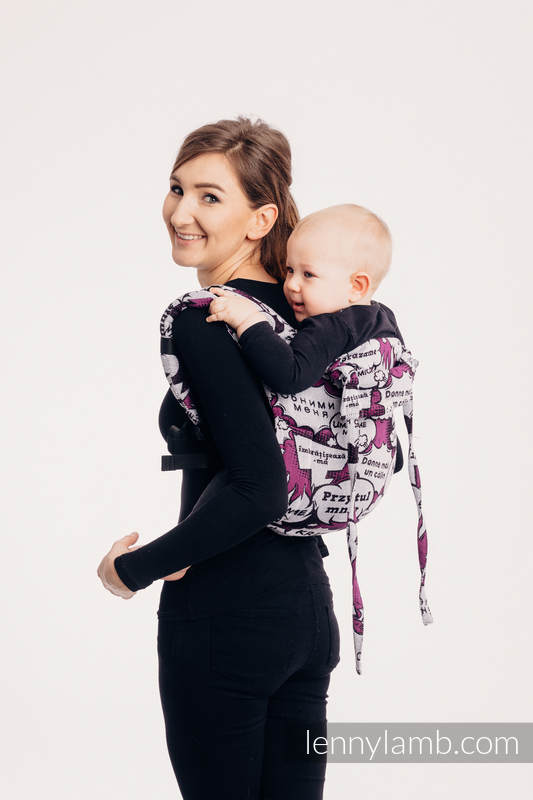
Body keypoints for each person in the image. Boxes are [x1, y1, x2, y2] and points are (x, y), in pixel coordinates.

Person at [96, 116, 341, 800]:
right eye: (177, 188)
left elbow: (260, 487)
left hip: (226, 616)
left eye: (210, 197)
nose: (181, 213)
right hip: (306, 613)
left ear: (261, 219)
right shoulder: (306, 313)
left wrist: (133, 569)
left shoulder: (205, 316)